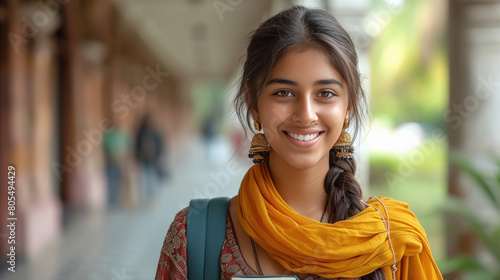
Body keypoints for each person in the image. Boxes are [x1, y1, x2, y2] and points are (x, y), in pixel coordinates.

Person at [155, 6, 443, 280]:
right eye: (283, 92)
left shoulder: (393, 242)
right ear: (254, 104)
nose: (306, 115)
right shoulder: (193, 235)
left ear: (349, 106)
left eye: (326, 93)